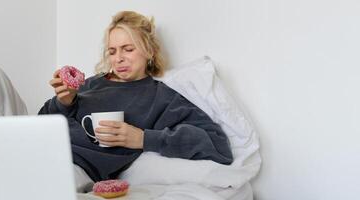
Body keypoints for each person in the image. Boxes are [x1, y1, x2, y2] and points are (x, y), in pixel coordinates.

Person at [38, 11, 233, 191]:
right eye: (112, 51)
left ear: (149, 51)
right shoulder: (93, 83)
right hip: (44, 148)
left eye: (128, 49)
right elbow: (40, 121)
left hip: (76, 168)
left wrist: (142, 139)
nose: (118, 59)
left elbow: (217, 144)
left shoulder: (162, 97)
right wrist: (64, 102)